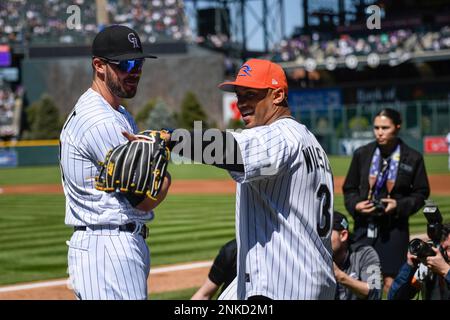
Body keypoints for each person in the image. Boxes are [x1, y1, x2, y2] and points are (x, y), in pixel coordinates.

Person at [125, 59, 336, 299]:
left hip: (284, 285)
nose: (241, 103)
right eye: (239, 95)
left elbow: (231, 150)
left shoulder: (279, 135)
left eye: (250, 94)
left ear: (277, 96)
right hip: (307, 280)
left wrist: (171, 138)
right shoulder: (309, 142)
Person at [59, 25, 171, 300]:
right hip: (108, 247)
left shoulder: (116, 112)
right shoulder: (101, 120)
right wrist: (166, 172)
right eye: (126, 63)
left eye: (139, 63)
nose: (134, 71)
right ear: (99, 66)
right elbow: (143, 198)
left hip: (109, 245)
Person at [342, 108, 430, 293]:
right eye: (376, 127)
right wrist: (356, 205)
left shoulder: (413, 157)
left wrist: (398, 205)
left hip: (394, 229)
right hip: (365, 226)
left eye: (385, 127)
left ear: (397, 128)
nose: (379, 132)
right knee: (364, 281)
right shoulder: (362, 154)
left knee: (392, 283)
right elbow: (349, 188)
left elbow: (421, 193)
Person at [388, 223, 450, 300]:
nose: (446, 254)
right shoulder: (428, 269)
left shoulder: (442, 267)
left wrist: (445, 270)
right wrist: (409, 267)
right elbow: (394, 297)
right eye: (443, 249)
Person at [332, 211, 382, 300]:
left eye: (327, 234)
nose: (322, 240)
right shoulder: (316, 255)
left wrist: (340, 276)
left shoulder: (366, 254)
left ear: (343, 235)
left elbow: (375, 291)